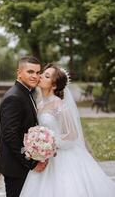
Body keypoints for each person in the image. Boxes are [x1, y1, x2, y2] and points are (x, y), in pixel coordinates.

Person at [20, 63, 115, 197]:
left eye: (46, 76)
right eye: (42, 73)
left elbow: (72, 134)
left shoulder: (58, 104)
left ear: (54, 85)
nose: (40, 76)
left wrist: (50, 144)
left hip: (60, 156)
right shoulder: (41, 103)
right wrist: (39, 146)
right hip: (46, 156)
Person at [0, 56, 48, 197]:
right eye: (30, 72)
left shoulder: (26, 92)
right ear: (19, 72)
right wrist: (31, 163)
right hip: (15, 166)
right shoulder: (14, 97)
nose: (35, 76)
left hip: (21, 164)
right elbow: (10, 136)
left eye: (38, 73)